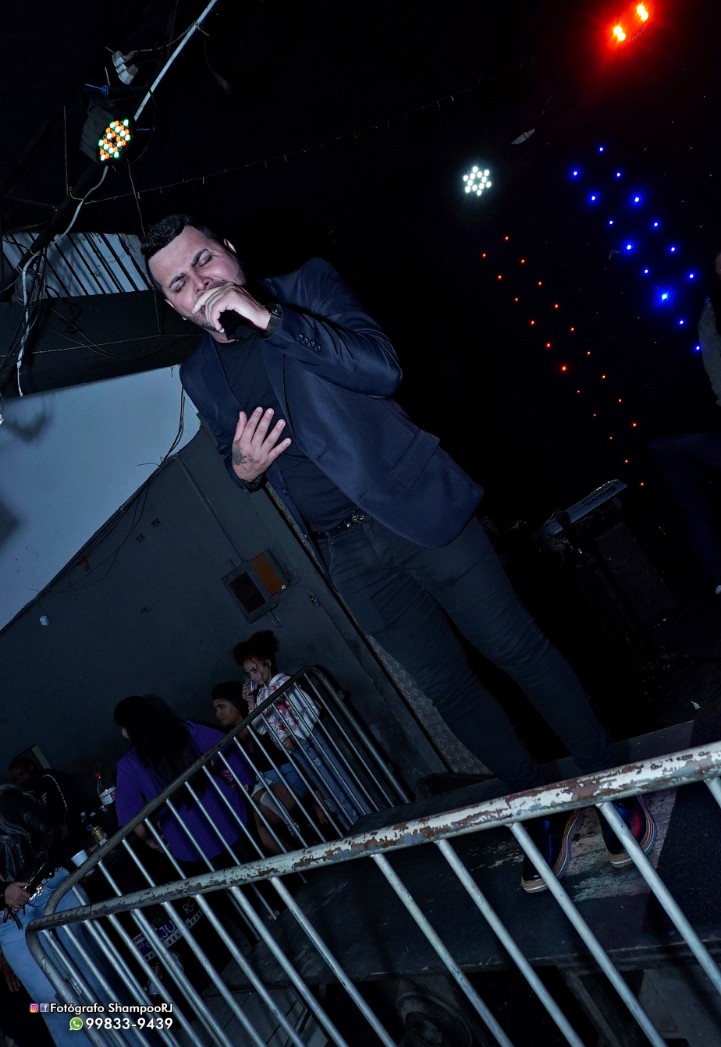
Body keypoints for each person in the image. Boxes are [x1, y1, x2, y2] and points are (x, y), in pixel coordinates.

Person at [141, 214, 656, 893]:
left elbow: (381, 369)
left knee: (517, 650)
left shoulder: (304, 289)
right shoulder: (198, 373)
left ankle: (611, 789)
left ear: (230, 250)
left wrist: (268, 318)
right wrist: (244, 470)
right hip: (346, 553)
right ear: (173, 304)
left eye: (203, 260)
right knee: (449, 690)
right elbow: (229, 454)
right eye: (178, 283)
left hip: (416, 510)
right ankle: (538, 807)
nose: (198, 282)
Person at [0, 784, 128, 1047]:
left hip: (51, 890)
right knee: (53, 1004)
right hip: (9, 920)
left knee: (95, 979)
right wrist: (4, 893)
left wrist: (24, 884)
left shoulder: (8, 799)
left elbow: (49, 831)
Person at [232, 633, 370, 831]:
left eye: (255, 670)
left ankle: (366, 820)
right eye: (249, 673)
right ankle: (354, 827)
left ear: (267, 664)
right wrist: (251, 704)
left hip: (310, 741)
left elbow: (312, 708)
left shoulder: (284, 682)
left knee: (339, 781)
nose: (253, 676)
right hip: (295, 751)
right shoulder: (262, 694)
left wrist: (296, 735)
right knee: (327, 789)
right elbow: (260, 728)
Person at [648, 248, 721, 594]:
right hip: (693, 427)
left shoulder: (656, 311)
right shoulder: (704, 308)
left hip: (663, 435)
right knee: (695, 509)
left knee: (695, 511)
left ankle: (718, 580)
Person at [113, 695, 253, 870]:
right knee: (258, 869)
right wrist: (243, 781)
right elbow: (226, 745)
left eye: (122, 726)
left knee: (223, 882)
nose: (122, 732)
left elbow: (129, 811)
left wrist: (149, 839)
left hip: (186, 837)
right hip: (225, 812)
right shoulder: (185, 730)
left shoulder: (128, 764)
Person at [211, 680, 324, 854]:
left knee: (255, 824)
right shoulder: (227, 739)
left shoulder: (259, 722)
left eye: (221, 706)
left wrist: (317, 795)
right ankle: (297, 860)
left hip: (288, 775)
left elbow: (296, 755)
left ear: (236, 703)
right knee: (251, 823)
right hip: (263, 784)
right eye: (215, 709)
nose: (218, 713)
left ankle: (300, 855)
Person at [8, 756, 95, 866]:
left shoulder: (49, 778)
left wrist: (59, 830)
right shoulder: (33, 793)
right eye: (15, 779)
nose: (19, 780)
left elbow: (67, 806)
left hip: (86, 827)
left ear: (30, 768)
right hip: (71, 837)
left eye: (21, 774)